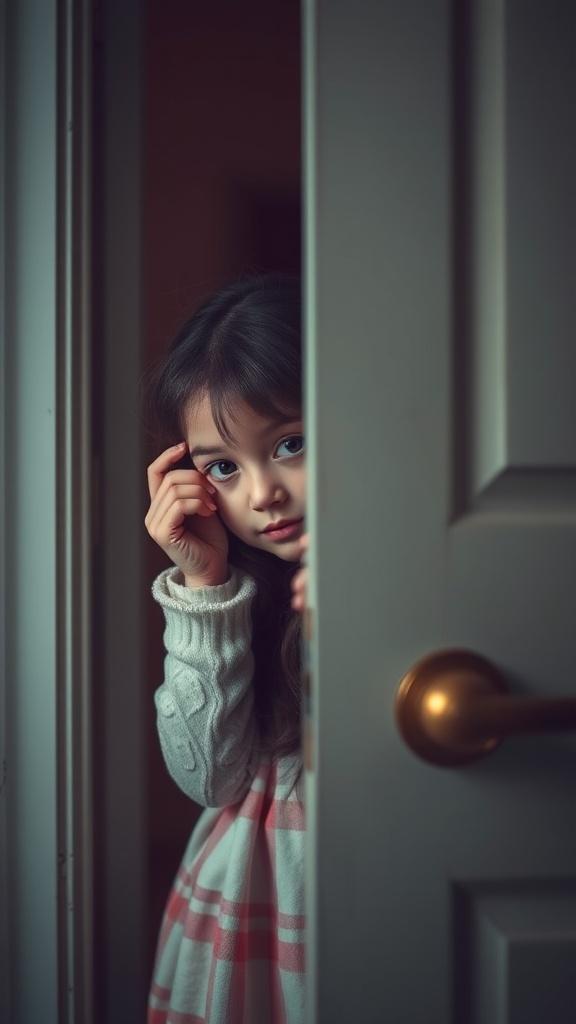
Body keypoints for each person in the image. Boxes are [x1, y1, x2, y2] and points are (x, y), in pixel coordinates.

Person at [143, 272, 310, 1024]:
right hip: (258, 895)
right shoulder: (243, 590)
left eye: (291, 443)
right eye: (223, 467)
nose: (262, 493)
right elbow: (209, 779)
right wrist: (203, 583)